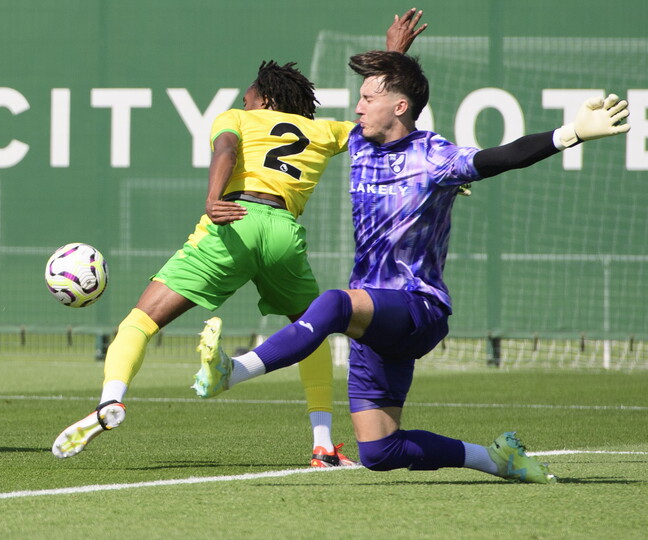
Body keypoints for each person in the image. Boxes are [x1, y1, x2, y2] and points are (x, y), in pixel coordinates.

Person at [191, 50, 631, 483]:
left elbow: (503, 157)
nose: (358, 107)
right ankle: (496, 459)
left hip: (416, 306)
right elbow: (385, 94)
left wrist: (571, 132)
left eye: (368, 99)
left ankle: (236, 370)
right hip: (375, 320)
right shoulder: (361, 142)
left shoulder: (434, 157)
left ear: (400, 107)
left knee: (332, 305)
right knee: (380, 451)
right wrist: (392, 52)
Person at [51, 10, 428, 465]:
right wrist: (394, 55)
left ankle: (111, 399)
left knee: (140, 322)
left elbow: (225, 149)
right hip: (283, 233)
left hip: (233, 221)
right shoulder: (323, 130)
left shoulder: (237, 118)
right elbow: (383, 118)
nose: (244, 102)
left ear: (265, 100)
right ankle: (324, 444)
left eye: (248, 97)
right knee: (310, 331)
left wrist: (213, 198)